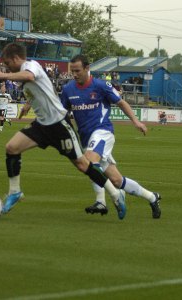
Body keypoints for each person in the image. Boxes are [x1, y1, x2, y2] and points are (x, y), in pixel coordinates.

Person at [0, 43, 126, 219]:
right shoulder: (23, 73)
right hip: (42, 125)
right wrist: (28, 105)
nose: (7, 67)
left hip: (59, 125)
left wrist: (3, 75)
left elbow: (30, 76)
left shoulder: (30, 66)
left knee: (83, 164)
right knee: (11, 148)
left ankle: (115, 194)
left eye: (8, 63)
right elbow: (41, 90)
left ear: (16, 58)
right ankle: (15, 192)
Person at [60, 55, 161, 219]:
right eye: (73, 71)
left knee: (89, 161)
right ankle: (152, 197)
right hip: (86, 138)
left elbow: (121, 102)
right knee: (116, 180)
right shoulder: (68, 90)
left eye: (78, 71)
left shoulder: (101, 85)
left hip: (103, 132)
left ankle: (106, 199)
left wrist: (136, 121)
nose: (75, 74)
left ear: (87, 68)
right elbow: (62, 112)